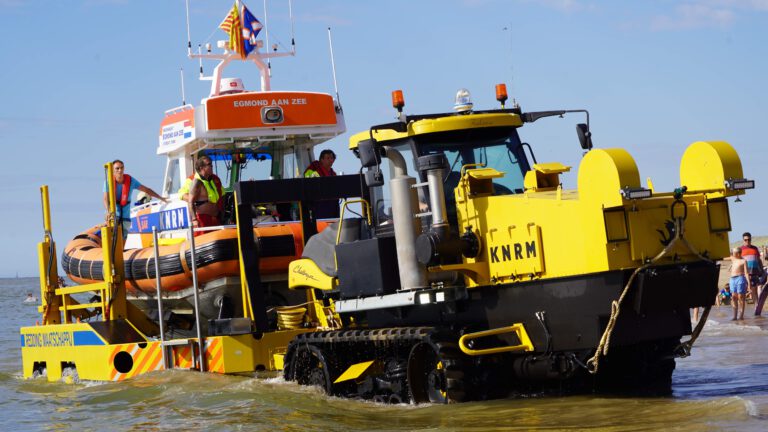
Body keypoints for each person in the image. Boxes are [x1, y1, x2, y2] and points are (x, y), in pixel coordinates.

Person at [103, 159, 167, 239]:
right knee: (114, 243)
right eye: (117, 168)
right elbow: (105, 199)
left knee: (122, 245)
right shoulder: (108, 182)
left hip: (126, 220)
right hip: (113, 218)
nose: (120, 170)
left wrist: (161, 198)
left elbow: (147, 190)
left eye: (122, 168)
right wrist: (109, 211)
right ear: (113, 170)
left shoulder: (131, 181)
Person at [187, 155, 224, 234]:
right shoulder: (196, 182)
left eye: (212, 165)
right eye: (209, 165)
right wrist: (194, 220)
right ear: (201, 168)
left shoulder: (212, 181)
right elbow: (190, 202)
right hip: (203, 221)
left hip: (214, 219)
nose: (211, 166)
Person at [303, 149, 340, 219]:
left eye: (332, 158)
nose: (331, 160)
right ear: (321, 160)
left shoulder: (333, 173)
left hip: (333, 205)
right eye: (328, 158)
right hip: (319, 205)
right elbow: (308, 178)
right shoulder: (313, 169)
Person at [739, 232, 763, 307]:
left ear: (751, 239)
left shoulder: (755, 248)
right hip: (745, 273)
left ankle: (757, 306)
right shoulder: (740, 249)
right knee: (745, 292)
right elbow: (739, 261)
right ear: (743, 240)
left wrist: (761, 269)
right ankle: (743, 309)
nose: (747, 241)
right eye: (745, 240)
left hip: (755, 272)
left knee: (756, 289)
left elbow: (758, 260)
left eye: (749, 239)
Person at [729, 247, 751, 320]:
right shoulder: (733, 258)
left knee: (741, 297)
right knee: (734, 297)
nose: (733, 254)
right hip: (732, 279)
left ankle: (741, 315)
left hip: (740, 278)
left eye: (734, 253)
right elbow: (722, 257)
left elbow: (746, 273)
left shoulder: (743, 261)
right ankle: (735, 316)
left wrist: (749, 284)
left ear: (738, 254)